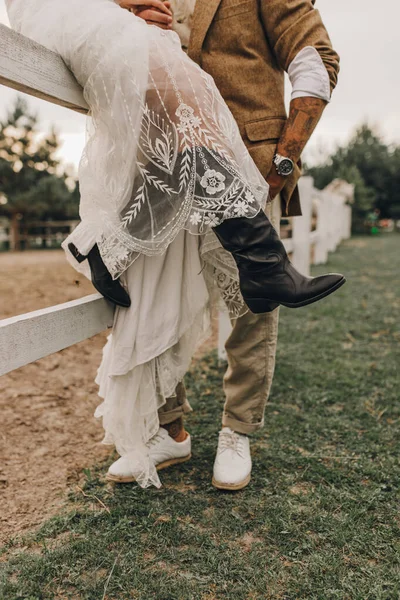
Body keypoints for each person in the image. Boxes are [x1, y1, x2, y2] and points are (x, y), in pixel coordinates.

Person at [5, 0, 344, 489]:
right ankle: (171, 430)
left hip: (252, 162)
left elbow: (315, 59)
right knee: (152, 300)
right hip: (162, 166)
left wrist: (286, 158)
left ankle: (237, 432)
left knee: (252, 308)